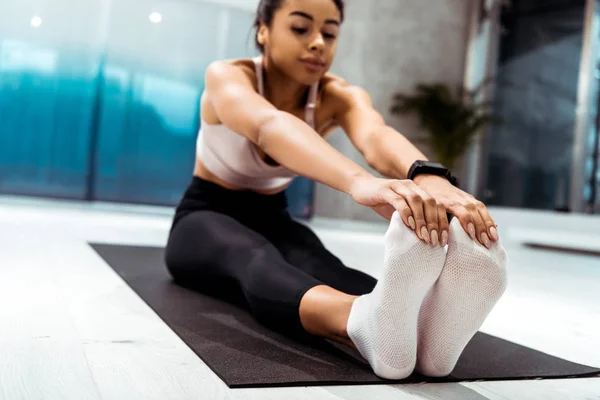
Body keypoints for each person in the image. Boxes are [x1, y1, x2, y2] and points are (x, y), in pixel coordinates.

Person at [165, 0, 508, 380]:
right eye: (300, 28)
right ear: (263, 30)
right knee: (255, 258)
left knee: (325, 267)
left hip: (274, 216)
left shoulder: (338, 95)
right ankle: (360, 323)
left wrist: (429, 177)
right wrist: (360, 183)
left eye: (329, 33)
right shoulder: (228, 77)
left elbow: (375, 135)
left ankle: (427, 330)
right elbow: (268, 126)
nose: (317, 43)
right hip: (205, 216)